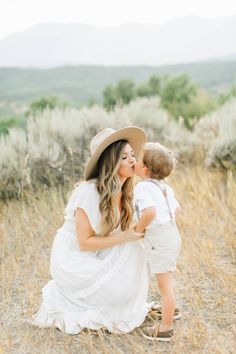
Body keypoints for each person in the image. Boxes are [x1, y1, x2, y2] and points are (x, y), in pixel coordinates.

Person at [30, 127, 150, 335]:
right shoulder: (88, 192)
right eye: (124, 157)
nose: (132, 160)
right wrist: (125, 237)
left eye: (132, 154)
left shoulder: (128, 190)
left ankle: (120, 301)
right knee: (130, 247)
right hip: (74, 258)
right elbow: (84, 243)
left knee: (134, 249)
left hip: (99, 252)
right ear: (111, 163)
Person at [134, 142, 181, 341]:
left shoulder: (143, 187)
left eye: (136, 158)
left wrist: (139, 229)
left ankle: (166, 327)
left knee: (165, 287)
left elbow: (150, 212)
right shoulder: (164, 187)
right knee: (167, 281)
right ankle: (172, 310)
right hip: (171, 234)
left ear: (144, 169)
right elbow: (177, 210)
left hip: (160, 239)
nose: (133, 161)